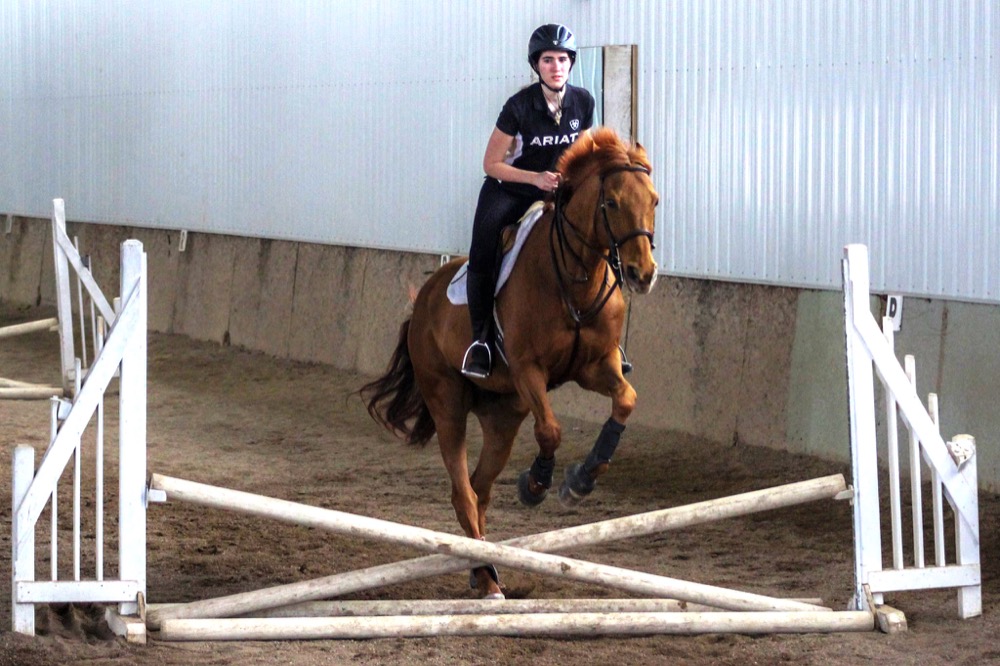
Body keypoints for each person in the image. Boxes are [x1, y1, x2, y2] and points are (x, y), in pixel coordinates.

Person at [461, 23, 596, 379]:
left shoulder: (583, 101)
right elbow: (491, 164)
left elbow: (581, 150)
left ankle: (601, 333)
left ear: (571, 63)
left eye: (563, 59)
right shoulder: (518, 107)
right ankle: (480, 341)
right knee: (484, 246)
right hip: (509, 189)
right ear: (536, 65)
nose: (556, 66)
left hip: (555, 188)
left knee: (596, 232)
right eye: (548, 59)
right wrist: (534, 179)